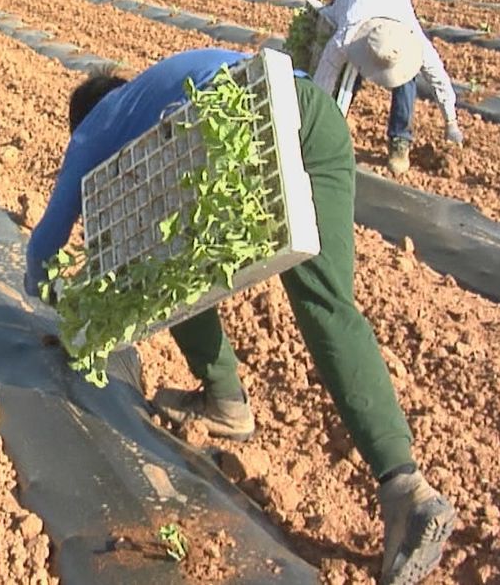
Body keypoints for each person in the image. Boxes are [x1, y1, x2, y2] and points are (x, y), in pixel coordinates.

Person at [23, 48, 457, 584]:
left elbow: (44, 246)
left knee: (163, 265)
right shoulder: (150, 90)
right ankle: (405, 487)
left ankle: (226, 396)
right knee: (325, 301)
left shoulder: (94, 129)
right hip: (311, 112)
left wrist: (48, 295)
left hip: (248, 124)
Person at [309, 0, 464, 175]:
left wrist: (451, 122)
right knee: (346, 75)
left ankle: (400, 141)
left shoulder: (415, 41)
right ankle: (336, 128)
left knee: (407, 75)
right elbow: (324, 81)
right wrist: (318, 124)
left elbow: (438, 79)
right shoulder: (346, 36)